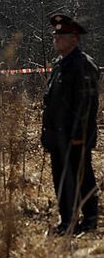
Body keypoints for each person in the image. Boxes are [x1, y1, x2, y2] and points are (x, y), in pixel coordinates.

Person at [41, 14, 100, 236]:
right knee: (62, 179)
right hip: (58, 136)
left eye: (62, 34)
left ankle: (90, 220)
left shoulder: (82, 65)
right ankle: (68, 222)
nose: (56, 38)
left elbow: (87, 104)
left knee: (81, 177)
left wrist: (79, 135)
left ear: (74, 38)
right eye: (55, 34)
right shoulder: (60, 65)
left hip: (75, 137)